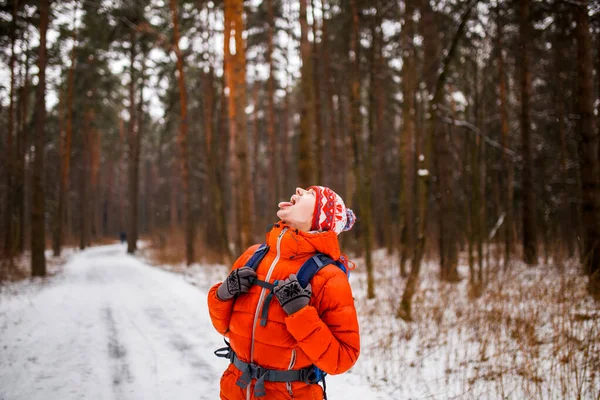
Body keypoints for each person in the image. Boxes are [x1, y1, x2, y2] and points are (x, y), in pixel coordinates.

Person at [208, 186, 360, 400]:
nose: (298, 190)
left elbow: (343, 359)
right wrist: (222, 295)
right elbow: (223, 327)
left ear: (320, 217)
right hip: (235, 389)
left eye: (310, 194)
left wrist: (300, 314)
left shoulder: (329, 277)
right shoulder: (253, 256)